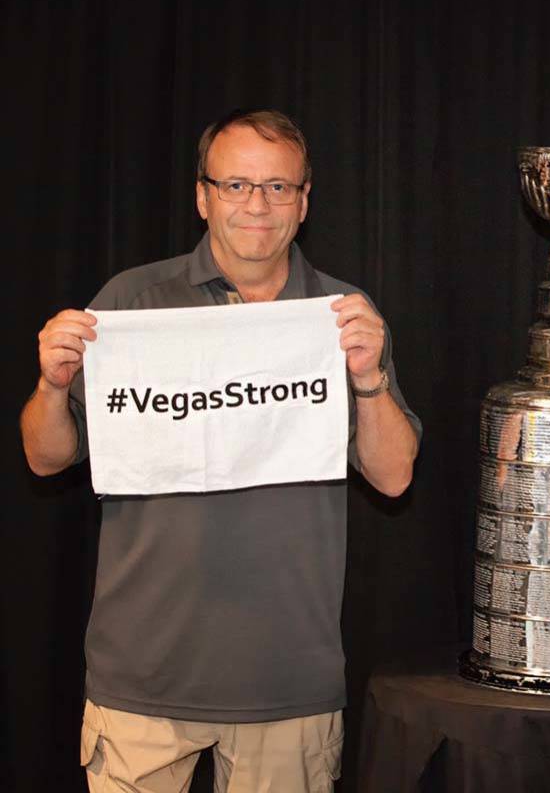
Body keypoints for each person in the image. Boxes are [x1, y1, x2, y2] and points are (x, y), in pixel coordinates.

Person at [19, 109, 421, 793]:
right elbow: (45, 459)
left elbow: (393, 477)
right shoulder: (131, 302)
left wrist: (370, 380)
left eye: (277, 187)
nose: (256, 205)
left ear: (304, 201)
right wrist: (52, 387)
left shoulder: (340, 312)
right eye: (235, 185)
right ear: (202, 196)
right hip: (140, 674)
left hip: (287, 681)